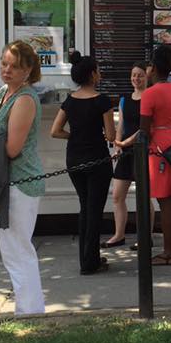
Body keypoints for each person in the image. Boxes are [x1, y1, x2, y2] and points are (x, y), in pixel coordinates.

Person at [0, 40, 46, 315]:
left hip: (21, 182)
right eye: (4, 63)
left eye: (14, 66)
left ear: (28, 70)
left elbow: (12, 148)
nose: (7, 70)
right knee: (14, 252)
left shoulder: (25, 99)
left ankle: (30, 314)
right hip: (6, 181)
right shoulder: (3, 91)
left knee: (18, 251)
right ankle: (27, 310)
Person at [51, 53, 116, 275]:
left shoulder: (69, 100)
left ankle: (86, 258)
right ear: (92, 74)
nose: (100, 73)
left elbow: (55, 131)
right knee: (95, 210)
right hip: (97, 158)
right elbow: (110, 135)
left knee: (84, 206)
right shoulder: (102, 101)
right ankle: (91, 261)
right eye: (98, 70)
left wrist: (74, 136)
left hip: (74, 158)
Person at [139, 45, 171, 266]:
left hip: (159, 150)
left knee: (165, 202)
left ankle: (168, 251)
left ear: (153, 68)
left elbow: (144, 129)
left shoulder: (150, 94)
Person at [102, 62, 147, 247]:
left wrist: (125, 142)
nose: (136, 78)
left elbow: (145, 127)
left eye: (140, 75)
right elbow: (121, 125)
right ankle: (119, 235)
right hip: (125, 151)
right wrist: (117, 145)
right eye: (133, 75)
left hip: (143, 150)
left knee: (143, 197)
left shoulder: (150, 97)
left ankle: (145, 238)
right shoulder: (124, 99)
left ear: (147, 77)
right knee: (117, 195)